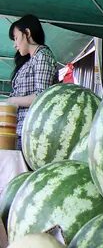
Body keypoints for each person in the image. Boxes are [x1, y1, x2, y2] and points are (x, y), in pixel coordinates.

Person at [6, 15, 58, 150]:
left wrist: (12, 101)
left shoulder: (43, 56)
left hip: (31, 132)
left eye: (16, 38)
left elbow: (42, 96)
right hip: (21, 130)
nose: (15, 44)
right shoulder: (30, 60)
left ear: (27, 33)